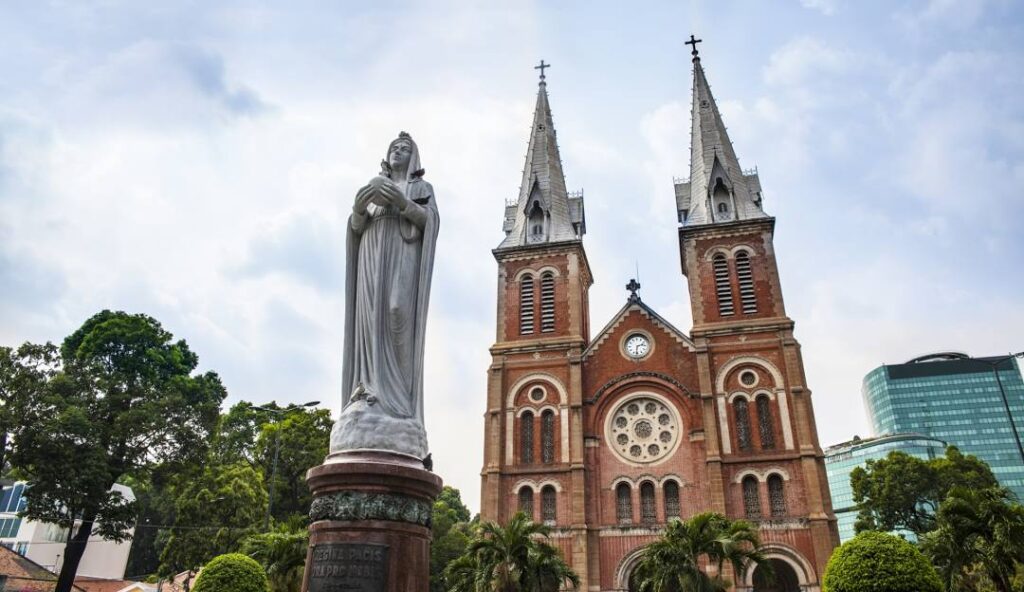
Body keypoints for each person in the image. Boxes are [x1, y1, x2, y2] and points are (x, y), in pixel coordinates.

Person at [331, 132, 439, 460]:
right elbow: (356, 226)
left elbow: (430, 222)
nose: (399, 151)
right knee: (368, 323)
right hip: (371, 255)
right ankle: (366, 391)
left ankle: (399, 403)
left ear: (414, 157)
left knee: (396, 312)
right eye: (395, 148)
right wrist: (358, 207)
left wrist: (403, 203)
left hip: (402, 253)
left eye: (405, 148)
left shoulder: (421, 188)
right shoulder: (373, 186)